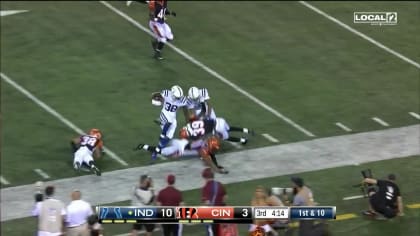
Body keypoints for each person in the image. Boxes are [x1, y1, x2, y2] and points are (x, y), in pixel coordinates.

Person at [150, 85, 190, 161]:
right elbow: (154, 95)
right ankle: (162, 132)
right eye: (177, 97)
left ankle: (156, 151)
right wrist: (157, 98)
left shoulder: (182, 100)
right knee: (169, 121)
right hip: (164, 114)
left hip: (172, 118)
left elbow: (185, 110)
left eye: (179, 97)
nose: (178, 98)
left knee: (168, 137)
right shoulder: (166, 93)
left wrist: (188, 122)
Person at [201, 168, 227, 236]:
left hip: (212, 216)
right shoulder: (219, 184)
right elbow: (225, 198)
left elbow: (207, 203)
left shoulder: (205, 188)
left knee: (211, 232)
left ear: (205, 177)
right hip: (221, 214)